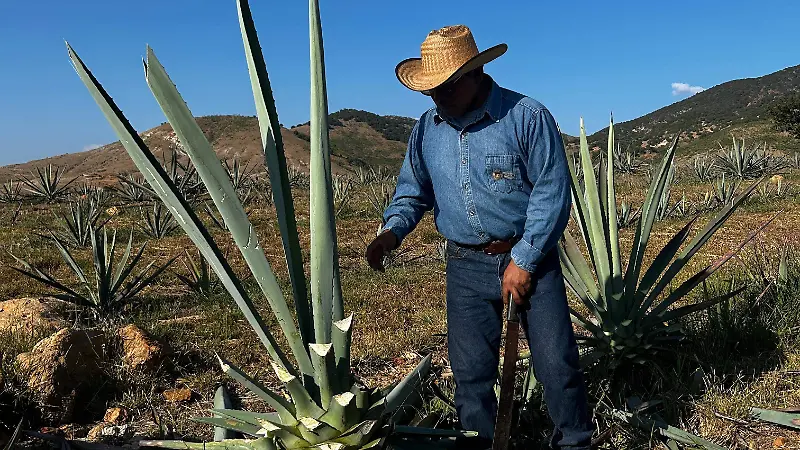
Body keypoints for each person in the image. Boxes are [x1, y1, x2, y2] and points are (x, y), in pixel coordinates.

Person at [364, 25, 593, 449]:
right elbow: (413, 190)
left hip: (531, 258)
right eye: (430, 90)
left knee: (556, 364)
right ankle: (477, 443)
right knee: (470, 374)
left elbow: (551, 191)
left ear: (475, 74)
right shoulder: (426, 129)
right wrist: (391, 233)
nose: (438, 97)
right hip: (464, 265)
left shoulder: (526, 116)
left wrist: (522, 261)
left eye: (446, 87)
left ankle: (574, 442)